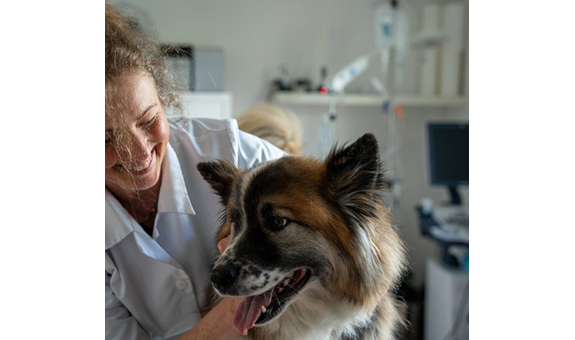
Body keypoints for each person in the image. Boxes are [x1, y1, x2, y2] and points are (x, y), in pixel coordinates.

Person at [104, 4, 284, 340]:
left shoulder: (230, 151)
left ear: (164, 99)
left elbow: (332, 211)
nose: (140, 151)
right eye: (107, 138)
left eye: (147, 121)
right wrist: (247, 283)